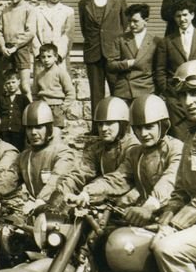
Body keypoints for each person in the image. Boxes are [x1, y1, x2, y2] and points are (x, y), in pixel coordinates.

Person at [67, 94, 181, 226]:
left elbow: (170, 180)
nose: (143, 133)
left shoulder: (176, 149)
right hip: (142, 215)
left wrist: (150, 205)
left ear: (162, 125)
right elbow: (117, 179)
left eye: (149, 127)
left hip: (172, 217)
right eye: (138, 127)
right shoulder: (135, 153)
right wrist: (87, 194)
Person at [152, 60, 196, 272]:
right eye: (183, 96)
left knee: (167, 248)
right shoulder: (192, 140)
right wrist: (164, 219)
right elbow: (181, 191)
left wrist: (174, 226)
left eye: (194, 93)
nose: (188, 102)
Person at [59, 97, 139, 196]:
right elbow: (82, 172)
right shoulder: (97, 148)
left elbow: (120, 179)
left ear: (122, 124)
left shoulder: (133, 147)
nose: (104, 128)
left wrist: (89, 191)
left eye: (109, 123)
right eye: (100, 124)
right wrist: (61, 192)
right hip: (103, 195)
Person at [78, 0, 128, 119]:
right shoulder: (84, 2)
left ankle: (120, 123)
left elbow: (124, 26)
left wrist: (117, 48)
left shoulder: (119, 0)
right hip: (93, 53)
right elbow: (84, 28)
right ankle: (97, 127)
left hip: (114, 54)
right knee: (96, 93)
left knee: (118, 91)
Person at [18, 101, 76, 215]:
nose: (33, 132)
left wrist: (40, 200)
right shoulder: (24, 156)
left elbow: (58, 178)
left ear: (49, 128)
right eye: (29, 128)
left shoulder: (63, 152)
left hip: (59, 212)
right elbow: (9, 176)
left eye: (39, 127)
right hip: (36, 211)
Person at [155, 0, 196, 140]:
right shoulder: (166, 41)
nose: (182, 19)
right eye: (178, 16)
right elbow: (160, 70)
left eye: (185, 15)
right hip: (175, 98)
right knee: (180, 139)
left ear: (192, 15)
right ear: (174, 18)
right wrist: (168, 92)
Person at [107, 3, 159, 104]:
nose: (131, 25)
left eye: (135, 21)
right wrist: (128, 63)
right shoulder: (120, 39)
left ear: (146, 21)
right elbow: (110, 65)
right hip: (124, 90)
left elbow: (159, 69)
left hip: (146, 89)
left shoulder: (156, 41)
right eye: (129, 21)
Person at [0, 0, 36, 100]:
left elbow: (30, 32)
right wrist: (3, 47)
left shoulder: (29, 9)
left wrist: (16, 47)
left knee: (24, 86)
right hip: (7, 50)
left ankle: (29, 113)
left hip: (21, 49)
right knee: (7, 85)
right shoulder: (5, 10)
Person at [32, 43, 75, 130]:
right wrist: (37, 105)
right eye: (43, 57)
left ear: (55, 57)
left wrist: (63, 107)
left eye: (49, 56)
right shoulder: (39, 75)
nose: (46, 60)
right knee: (44, 131)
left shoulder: (61, 72)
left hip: (57, 107)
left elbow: (71, 92)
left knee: (56, 132)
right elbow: (34, 93)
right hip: (43, 107)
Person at [35, 0, 74, 70]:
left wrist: (59, 55)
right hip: (42, 57)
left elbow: (68, 34)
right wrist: (39, 54)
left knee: (59, 82)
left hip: (59, 58)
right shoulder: (37, 10)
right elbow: (33, 34)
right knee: (42, 82)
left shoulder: (68, 11)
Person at [0, 69, 30, 151]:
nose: (11, 85)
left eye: (13, 82)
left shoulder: (23, 99)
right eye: (8, 83)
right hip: (4, 131)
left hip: (18, 131)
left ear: (19, 81)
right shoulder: (1, 99)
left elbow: (27, 114)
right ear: (5, 85)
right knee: (5, 149)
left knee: (18, 150)